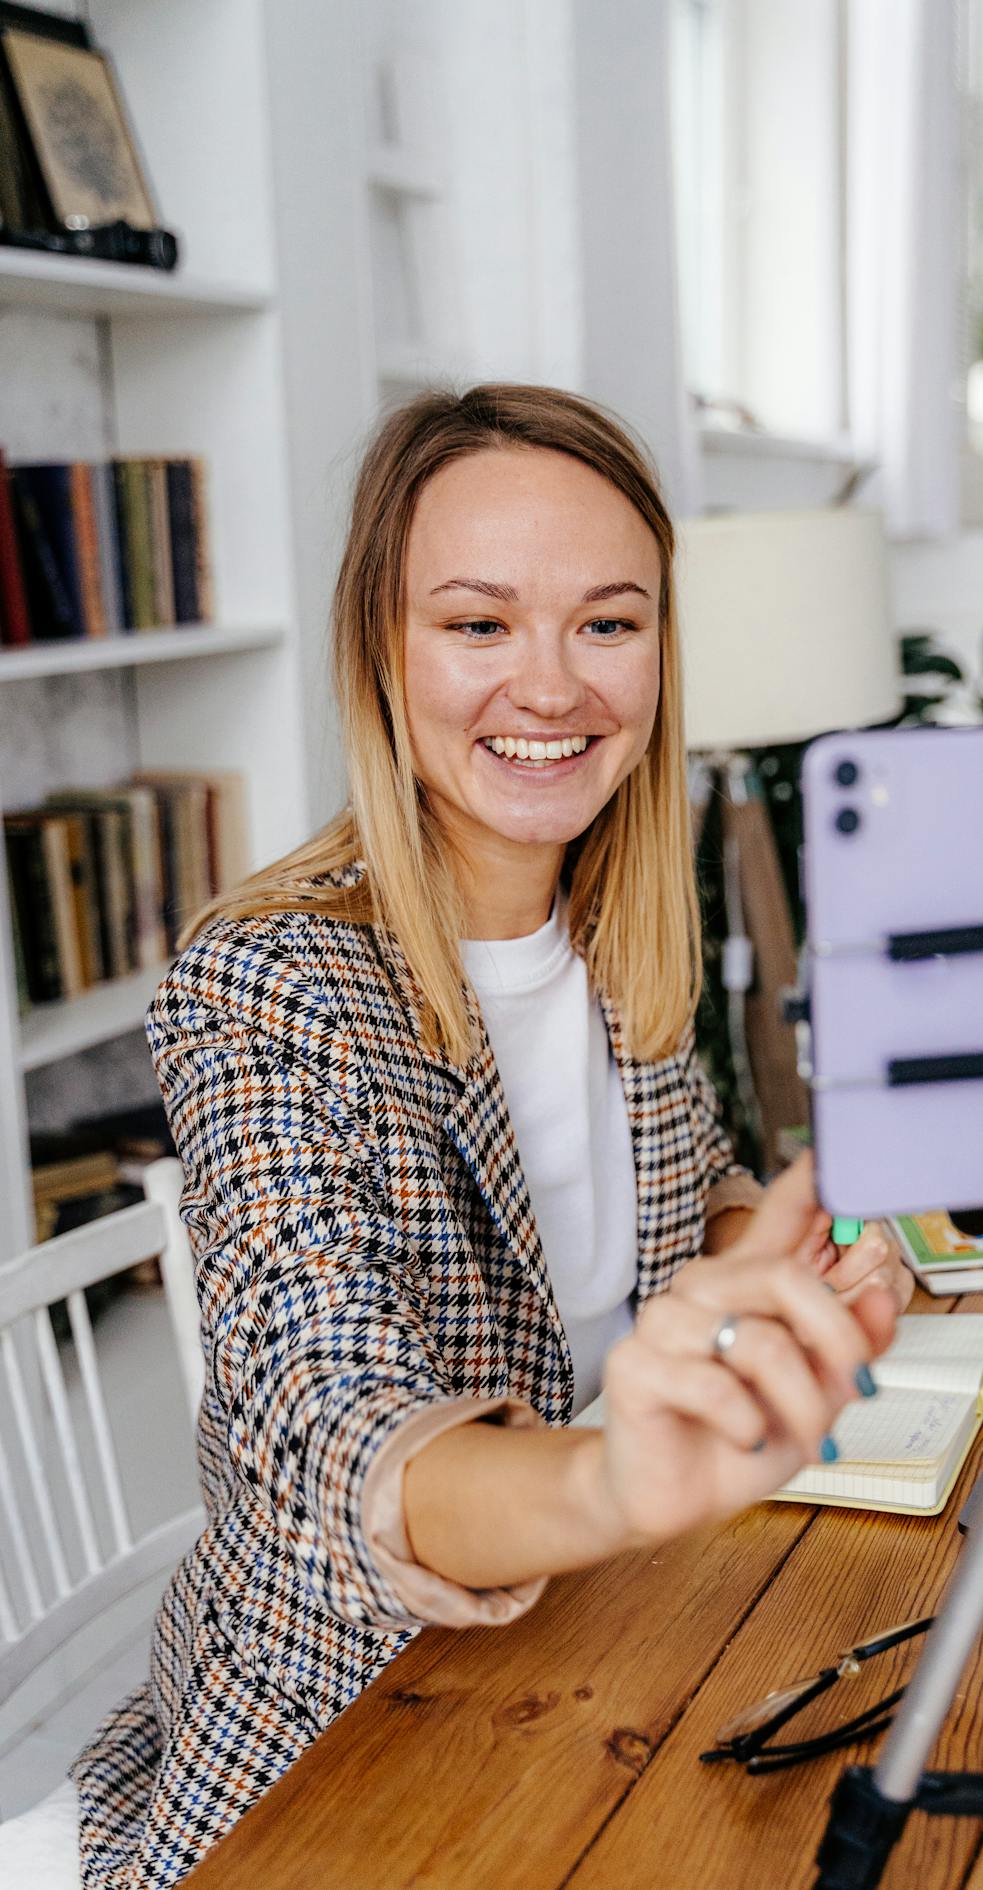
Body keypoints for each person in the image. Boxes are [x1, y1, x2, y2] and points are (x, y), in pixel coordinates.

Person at [64, 384, 910, 1888]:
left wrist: (772, 1254)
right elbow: (326, 1406)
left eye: (608, 623)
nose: (554, 685)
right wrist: (610, 1481)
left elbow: (672, 1192)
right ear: (381, 654)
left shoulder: (626, 928)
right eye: (477, 624)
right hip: (337, 1736)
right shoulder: (268, 981)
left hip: (614, 1653)